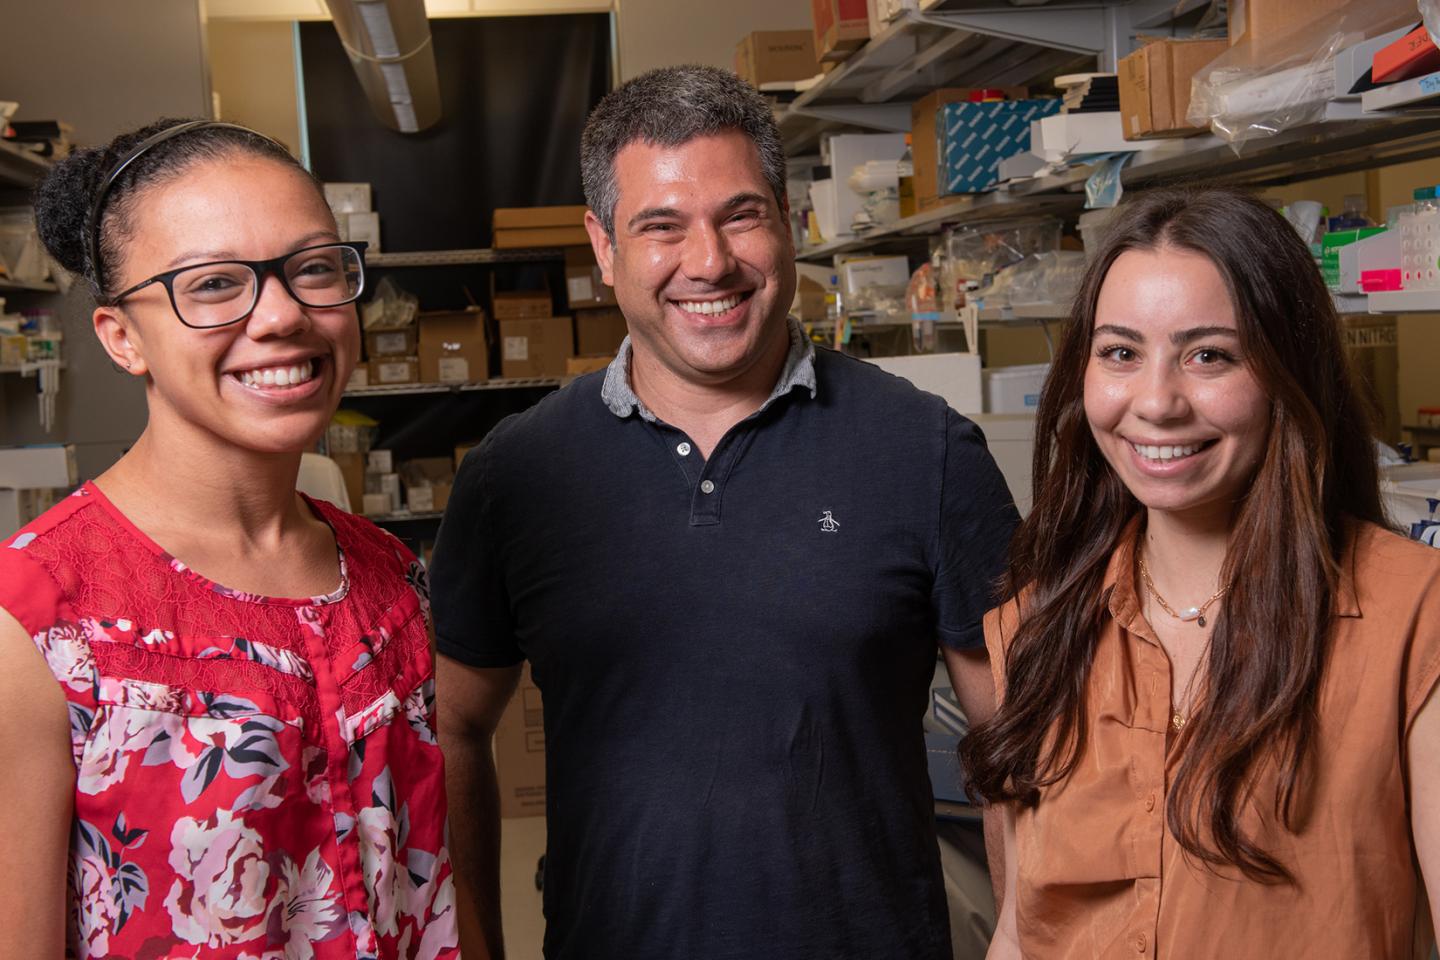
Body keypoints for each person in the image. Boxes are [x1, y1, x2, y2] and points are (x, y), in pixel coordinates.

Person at [432, 65, 1019, 960]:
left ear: (785, 218)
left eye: (740, 215)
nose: (708, 262)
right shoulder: (515, 476)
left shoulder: (925, 451)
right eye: (660, 226)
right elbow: (453, 727)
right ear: (602, 246)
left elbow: (1019, 744)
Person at [0, 119, 460, 959]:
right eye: (213, 284)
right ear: (121, 336)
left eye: (314, 268)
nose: (283, 314)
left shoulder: (390, 577)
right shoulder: (37, 623)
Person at [960, 186, 1440, 958]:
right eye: (1120, 353)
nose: (1156, 402)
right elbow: (1021, 934)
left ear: (1290, 371)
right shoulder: (1038, 627)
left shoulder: (1414, 620)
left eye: (1208, 355)